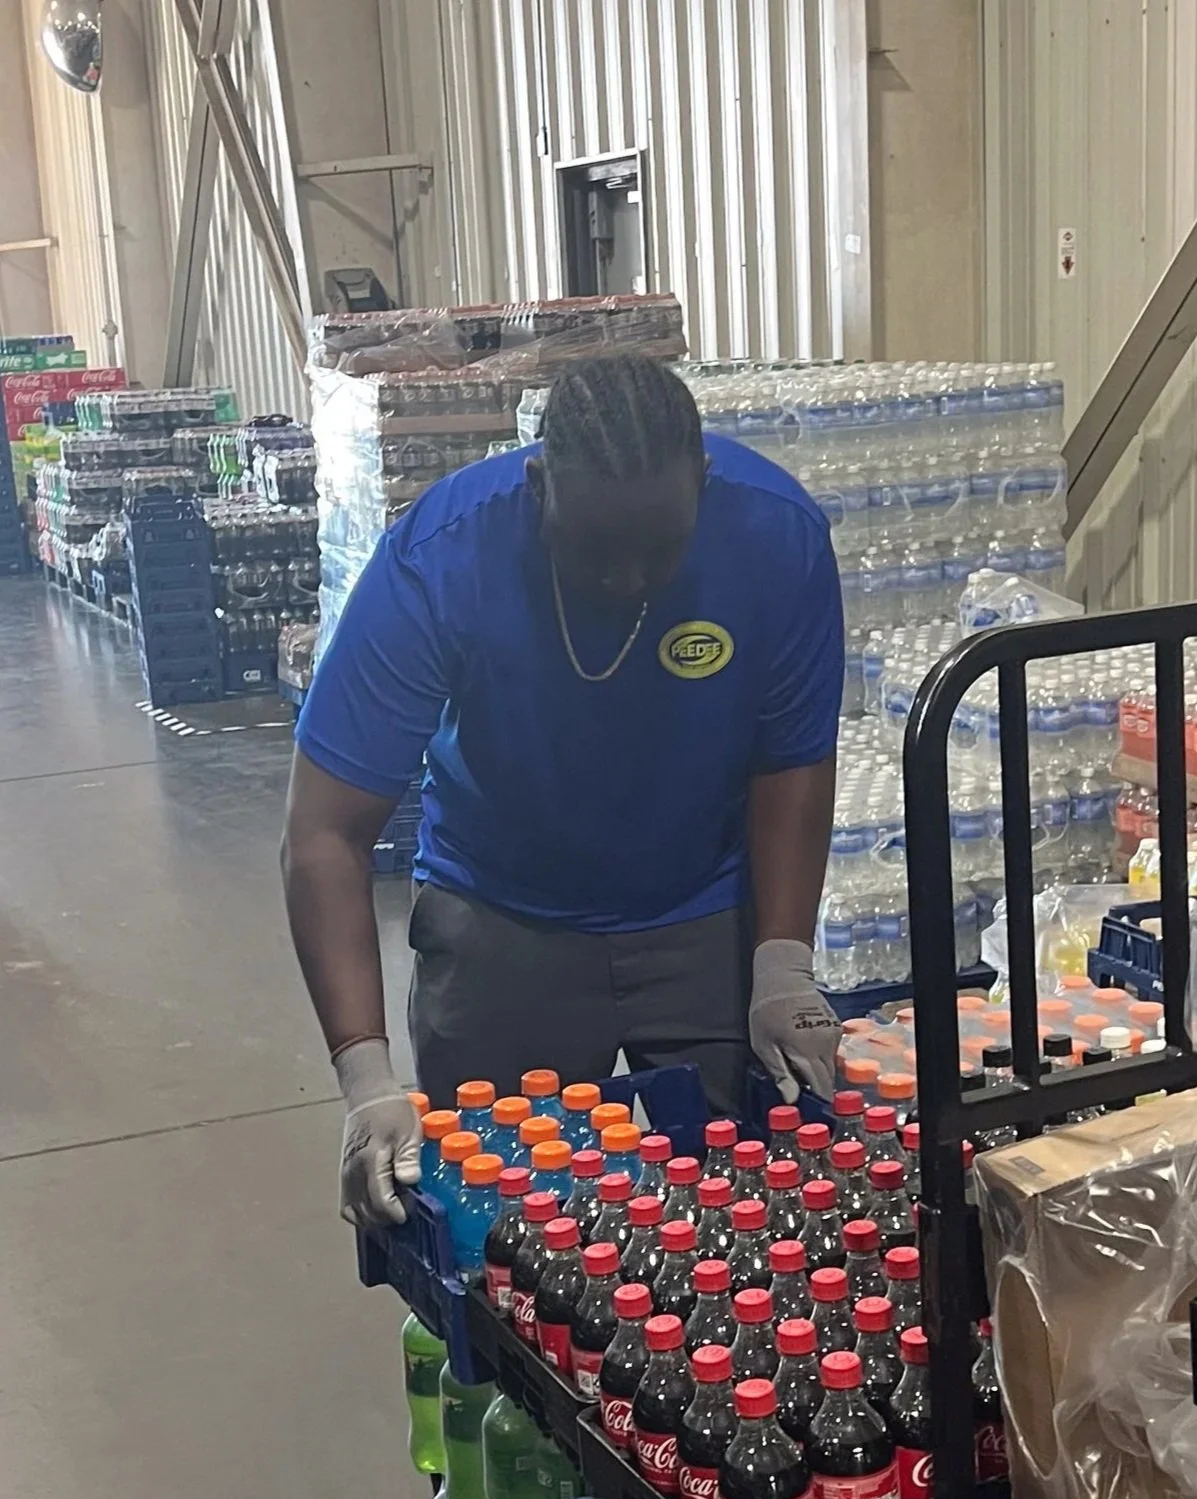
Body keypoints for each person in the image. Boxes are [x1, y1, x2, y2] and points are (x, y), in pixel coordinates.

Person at [283, 355, 844, 1228]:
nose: (627, 579)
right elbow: (325, 831)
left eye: (659, 551)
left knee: (735, 1216)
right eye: (596, 552)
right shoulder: (442, 562)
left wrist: (781, 963)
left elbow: (793, 757)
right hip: (502, 924)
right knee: (507, 1231)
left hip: (697, 914)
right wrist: (365, 1076)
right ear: (538, 483)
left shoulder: (777, 539)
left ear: (704, 483)